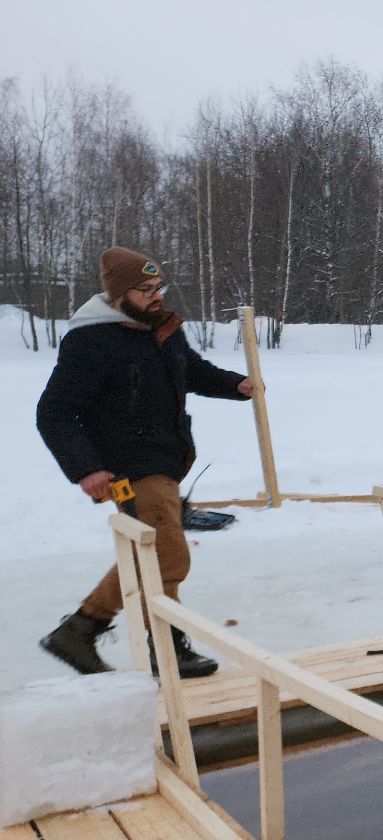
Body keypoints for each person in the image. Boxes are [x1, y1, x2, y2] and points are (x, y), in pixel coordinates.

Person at [36, 246, 258, 679]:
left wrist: (236, 385)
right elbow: (54, 412)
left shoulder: (163, 329)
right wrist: (86, 469)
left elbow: (190, 370)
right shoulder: (91, 340)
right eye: (145, 290)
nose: (156, 296)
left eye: (158, 287)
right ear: (120, 295)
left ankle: (80, 629)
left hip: (167, 459)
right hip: (126, 468)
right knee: (168, 554)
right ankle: (167, 645)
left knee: (152, 551)